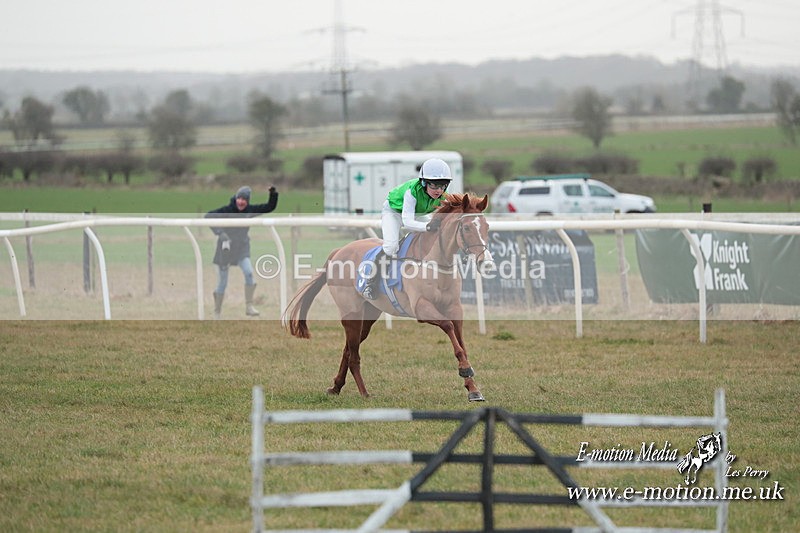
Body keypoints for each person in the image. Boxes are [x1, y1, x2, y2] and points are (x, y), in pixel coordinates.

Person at [362, 158, 451, 300]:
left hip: (416, 213)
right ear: (424, 182)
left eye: (443, 185)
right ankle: (370, 282)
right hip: (394, 212)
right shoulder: (412, 192)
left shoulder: (443, 195)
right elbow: (408, 222)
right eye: (434, 185)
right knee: (391, 247)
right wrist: (427, 226)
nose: (439, 190)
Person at [205, 185, 278, 319]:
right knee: (222, 283)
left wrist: (273, 194)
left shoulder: (250, 210)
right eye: (239, 198)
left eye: (244, 199)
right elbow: (208, 216)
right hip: (225, 250)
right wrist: (220, 233)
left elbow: (269, 207)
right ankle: (217, 312)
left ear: (248, 201)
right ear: (236, 198)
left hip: (241, 249)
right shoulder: (227, 210)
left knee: (249, 272)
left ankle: (249, 306)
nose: (241, 201)